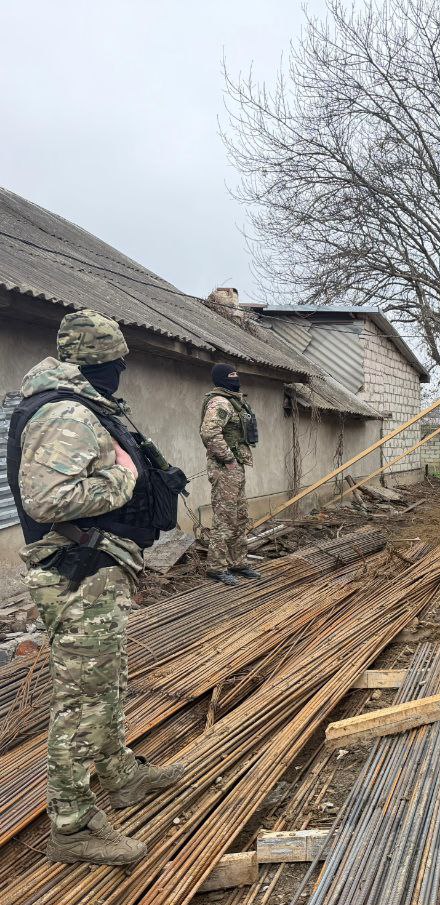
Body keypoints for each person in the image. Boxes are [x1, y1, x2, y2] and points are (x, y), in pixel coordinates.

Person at [8, 309, 186, 865]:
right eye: (115, 362)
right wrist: (123, 477)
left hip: (96, 568)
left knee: (106, 684)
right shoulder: (64, 411)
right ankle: (72, 824)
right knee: (82, 700)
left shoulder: (88, 405)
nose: (120, 371)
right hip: (76, 571)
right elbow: (47, 500)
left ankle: (120, 775)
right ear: (96, 363)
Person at [199, 363, 260, 585]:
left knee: (239, 517)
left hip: (235, 468)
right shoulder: (220, 402)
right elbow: (209, 432)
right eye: (231, 376)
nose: (235, 379)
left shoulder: (234, 401)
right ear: (222, 379)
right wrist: (228, 458)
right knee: (225, 518)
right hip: (225, 468)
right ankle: (216, 567)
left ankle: (238, 562)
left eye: (236, 375)